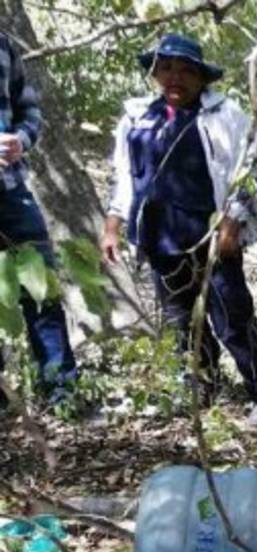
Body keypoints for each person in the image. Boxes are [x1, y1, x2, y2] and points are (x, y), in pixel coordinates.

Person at [101, 33, 257, 424]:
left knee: (232, 316)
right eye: (166, 69)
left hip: (210, 235)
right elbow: (125, 176)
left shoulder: (225, 116)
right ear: (155, 73)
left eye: (186, 71)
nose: (175, 78)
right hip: (160, 235)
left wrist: (233, 222)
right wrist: (114, 224)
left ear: (202, 78)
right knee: (181, 321)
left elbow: (248, 170)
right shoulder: (137, 118)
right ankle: (201, 387)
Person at [0, 32, 78, 408]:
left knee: (41, 288)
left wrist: (22, 140)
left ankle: (61, 388)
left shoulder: (2, 44)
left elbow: (28, 110)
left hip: (11, 189)